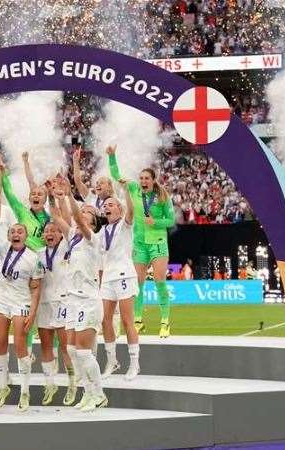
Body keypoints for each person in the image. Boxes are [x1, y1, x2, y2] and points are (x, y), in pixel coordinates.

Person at [48, 178, 108, 412]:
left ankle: (99, 394)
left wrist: (70, 195)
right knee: (72, 350)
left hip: (87, 300)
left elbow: (78, 219)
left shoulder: (93, 238)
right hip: (72, 299)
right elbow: (54, 216)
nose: (82, 213)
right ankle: (87, 393)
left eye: (87, 211)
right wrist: (54, 194)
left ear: (94, 222)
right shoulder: (73, 235)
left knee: (83, 351)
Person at [107, 146, 176, 337]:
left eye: (147, 178)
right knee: (138, 283)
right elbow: (116, 175)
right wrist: (112, 156)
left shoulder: (163, 196)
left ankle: (165, 322)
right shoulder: (134, 189)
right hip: (139, 243)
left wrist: (156, 222)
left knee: (160, 282)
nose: (143, 181)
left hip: (158, 242)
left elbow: (171, 220)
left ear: (153, 180)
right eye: (142, 178)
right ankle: (138, 321)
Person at [0, 223, 44, 412]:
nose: (16, 234)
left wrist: (33, 312)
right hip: (1, 301)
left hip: (22, 302)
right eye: (12, 231)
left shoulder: (33, 258)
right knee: (0, 344)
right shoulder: (2, 248)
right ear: (8, 235)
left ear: (26, 235)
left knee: (20, 346)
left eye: (20, 231)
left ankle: (25, 391)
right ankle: (2, 387)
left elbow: (36, 289)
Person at [99, 184, 140, 381]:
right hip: (107, 277)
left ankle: (134, 364)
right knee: (105, 320)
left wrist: (125, 192)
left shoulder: (125, 223)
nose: (107, 207)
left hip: (124, 275)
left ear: (119, 209)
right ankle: (112, 361)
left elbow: (131, 210)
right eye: (105, 205)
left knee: (126, 320)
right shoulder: (102, 231)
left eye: (111, 204)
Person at [36, 219, 76, 406]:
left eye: (54, 230)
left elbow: (69, 228)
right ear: (43, 235)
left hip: (62, 300)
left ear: (61, 234)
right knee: (45, 345)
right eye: (47, 231)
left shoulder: (66, 249)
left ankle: (72, 383)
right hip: (44, 302)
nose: (50, 233)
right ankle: (50, 384)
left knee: (65, 346)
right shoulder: (38, 254)